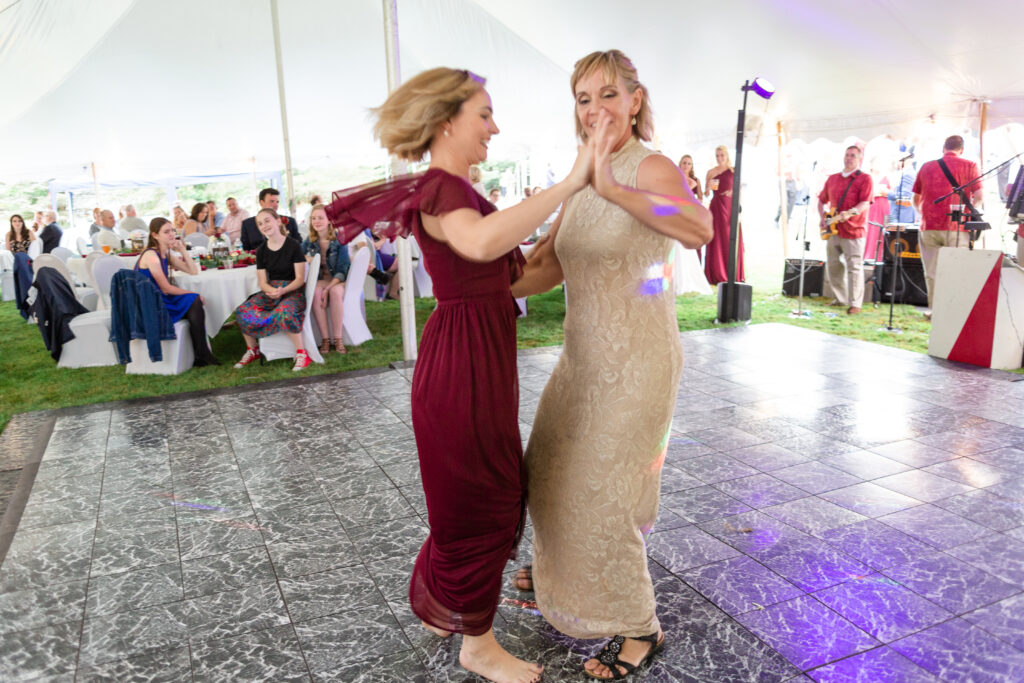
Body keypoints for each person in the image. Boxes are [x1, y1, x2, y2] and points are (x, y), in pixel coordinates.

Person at [324, 66, 592, 683]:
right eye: (485, 114)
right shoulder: (444, 190)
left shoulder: (461, 193)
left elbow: (521, 278)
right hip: (462, 367)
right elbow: (477, 245)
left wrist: (566, 227)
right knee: (485, 502)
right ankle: (478, 643)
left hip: (480, 359)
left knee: (478, 493)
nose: (494, 127)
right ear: (447, 121)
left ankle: (444, 607)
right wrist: (567, 181)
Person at [511, 50, 712, 680]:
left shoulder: (647, 166)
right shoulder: (582, 175)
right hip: (582, 358)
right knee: (545, 472)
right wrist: (472, 278)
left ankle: (638, 625)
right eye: (582, 98)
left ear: (634, 99)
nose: (593, 109)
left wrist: (616, 188)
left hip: (639, 361)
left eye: (605, 95)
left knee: (606, 493)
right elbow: (546, 265)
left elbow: (699, 228)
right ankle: (559, 584)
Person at [913, 135, 984, 313]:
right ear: (961, 150)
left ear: (943, 148)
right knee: (957, 272)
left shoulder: (926, 166)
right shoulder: (970, 165)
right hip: (957, 227)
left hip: (929, 226)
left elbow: (915, 197)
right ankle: (954, 313)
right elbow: (980, 196)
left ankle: (935, 312)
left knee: (932, 273)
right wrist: (970, 212)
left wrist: (923, 213)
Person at [232, 208, 310, 371]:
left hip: (293, 291)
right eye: (260, 224)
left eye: (267, 220)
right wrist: (270, 290)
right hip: (271, 290)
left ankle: (302, 353)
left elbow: (299, 279)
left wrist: (282, 291)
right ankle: (252, 350)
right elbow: (262, 281)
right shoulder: (261, 250)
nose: (264, 225)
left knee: (285, 311)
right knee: (242, 310)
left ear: (278, 221)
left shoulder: (293, 245)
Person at [135, 217, 220, 367]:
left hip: (161, 299)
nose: (171, 234)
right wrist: (192, 294)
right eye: (166, 232)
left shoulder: (165, 254)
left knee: (194, 303)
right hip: (150, 304)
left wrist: (181, 249)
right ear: (155, 235)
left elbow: (192, 271)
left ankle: (201, 355)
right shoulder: (151, 256)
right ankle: (202, 354)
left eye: (172, 230)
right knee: (194, 300)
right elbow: (165, 288)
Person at [817, 146, 873, 314]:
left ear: (859, 159)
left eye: (853, 156)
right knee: (833, 265)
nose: (849, 158)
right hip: (833, 229)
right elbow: (821, 200)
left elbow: (865, 202)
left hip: (854, 229)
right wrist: (822, 217)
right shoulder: (833, 178)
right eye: (847, 155)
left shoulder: (865, 179)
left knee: (854, 266)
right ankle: (840, 298)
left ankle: (855, 303)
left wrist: (850, 213)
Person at [301, 203, 350, 355]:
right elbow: (298, 258)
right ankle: (325, 339)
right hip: (321, 280)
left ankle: (338, 338)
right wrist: (306, 258)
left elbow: (342, 270)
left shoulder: (340, 240)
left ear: (329, 220)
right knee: (315, 293)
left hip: (337, 280)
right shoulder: (309, 241)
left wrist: (328, 289)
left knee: (335, 293)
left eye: (320, 218)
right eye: (313, 218)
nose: (316, 221)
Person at [703, 145, 742, 284]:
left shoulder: (733, 171)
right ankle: (716, 272)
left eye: (722, 155)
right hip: (717, 207)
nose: (719, 158)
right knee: (718, 239)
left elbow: (739, 189)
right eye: (717, 156)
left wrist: (734, 196)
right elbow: (707, 194)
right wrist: (708, 188)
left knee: (730, 238)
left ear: (727, 156)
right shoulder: (711, 172)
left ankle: (732, 272)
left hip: (730, 206)